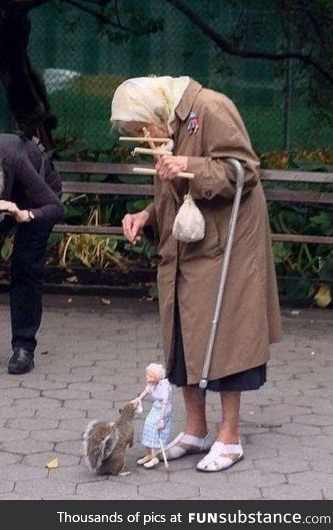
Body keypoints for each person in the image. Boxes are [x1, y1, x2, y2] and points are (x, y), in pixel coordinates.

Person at [111, 76, 282, 472]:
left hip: (229, 245)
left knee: (227, 337)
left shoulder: (210, 108)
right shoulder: (167, 127)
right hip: (188, 246)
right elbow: (175, 196)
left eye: (141, 128)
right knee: (183, 334)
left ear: (157, 110)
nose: (142, 136)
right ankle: (195, 430)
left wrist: (190, 164)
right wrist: (146, 216)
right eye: (134, 134)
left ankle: (230, 437)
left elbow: (245, 171)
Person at [0, 132, 64, 374]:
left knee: (26, 267)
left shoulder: (16, 161)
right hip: (3, 199)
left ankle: (24, 347)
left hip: (38, 200)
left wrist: (26, 215)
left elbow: (56, 208)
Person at [132, 363, 172, 469]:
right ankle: (149, 453)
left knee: (155, 429)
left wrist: (161, 418)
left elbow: (165, 403)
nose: (147, 378)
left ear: (156, 377)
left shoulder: (163, 387)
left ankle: (154, 457)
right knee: (147, 425)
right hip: (156, 407)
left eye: (150, 376)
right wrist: (138, 399)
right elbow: (145, 392)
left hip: (163, 409)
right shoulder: (151, 385)